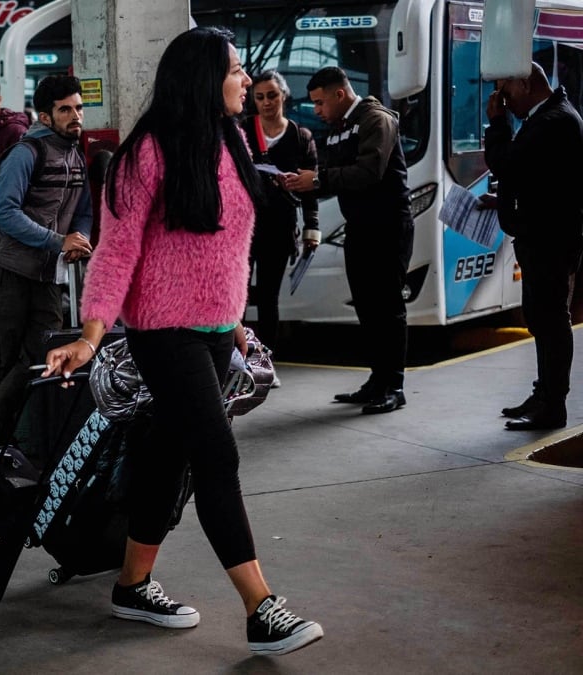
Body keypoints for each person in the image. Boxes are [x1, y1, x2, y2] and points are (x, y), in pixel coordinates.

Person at [42, 27, 323, 656]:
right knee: (216, 456)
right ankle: (261, 608)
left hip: (216, 331)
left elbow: (224, 248)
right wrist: (91, 334)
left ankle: (131, 585)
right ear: (201, 78)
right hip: (164, 334)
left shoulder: (230, 141)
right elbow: (116, 254)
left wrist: (236, 322)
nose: (246, 80)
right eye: (235, 69)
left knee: (168, 458)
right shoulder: (143, 156)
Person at [0, 74, 93, 453]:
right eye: (65, 110)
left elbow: (83, 210)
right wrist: (58, 241)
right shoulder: (25, 153)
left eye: (79, 108)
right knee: (6, 355)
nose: (76, 116)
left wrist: (79, 238)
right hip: (9, 269)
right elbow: (5, 214)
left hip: (47, 272)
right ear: (45, 117)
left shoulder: (75, 155)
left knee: (41, 349)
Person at [283, 66, 413, 415]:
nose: (316, 110)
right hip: (360, 228)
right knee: (367, 306)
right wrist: (304, 181)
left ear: (339, 94)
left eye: (319, 102)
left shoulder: (376, 119)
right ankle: (377, 380)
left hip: (388, 228)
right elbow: (333, 175)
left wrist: (317, 180)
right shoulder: (339, 127)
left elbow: (369, 172)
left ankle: (394, 386)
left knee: (387, 307)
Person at [484, 62, 583, 430]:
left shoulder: (554, 121)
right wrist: (502, 202)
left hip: (551, 239)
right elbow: (534, 177)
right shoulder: (545, 117)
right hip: (542, 235)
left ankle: (553, 404)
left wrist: (496, 124)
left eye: (505, 91)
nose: (502, 100)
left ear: (526, 84)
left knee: (551, 320)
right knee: (542, 318)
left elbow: (506, 164)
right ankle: (543, 393)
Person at [241, 71, 320, 369]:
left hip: (279, 225)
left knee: (268, 298)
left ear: (284, 96)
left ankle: (265, 363)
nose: (266, 103)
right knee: (238, 296)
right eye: (260, 97)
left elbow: (312, 185)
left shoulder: (300, 137)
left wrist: (312, 226)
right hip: (245, 226)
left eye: (272, 95)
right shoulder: (242, 132)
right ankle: (235, 361)